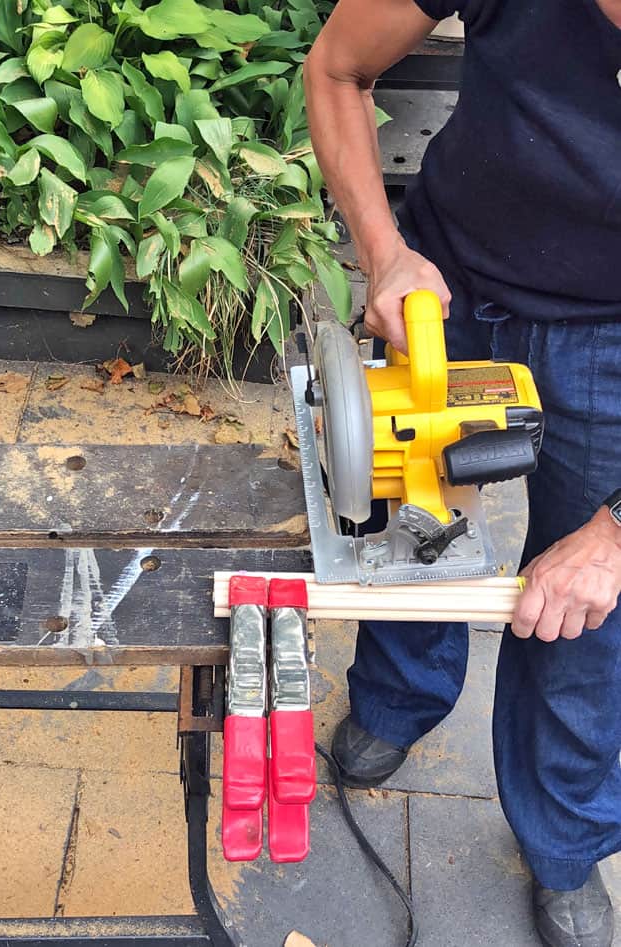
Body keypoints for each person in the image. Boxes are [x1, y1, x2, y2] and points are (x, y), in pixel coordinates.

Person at [303, 2, 621, 945]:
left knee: (584, 610)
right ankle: (397, 700)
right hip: (452, 286)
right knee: (413, 520)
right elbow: (337, 68)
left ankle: (563, 839)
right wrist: (385, 249)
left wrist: (613, 533)